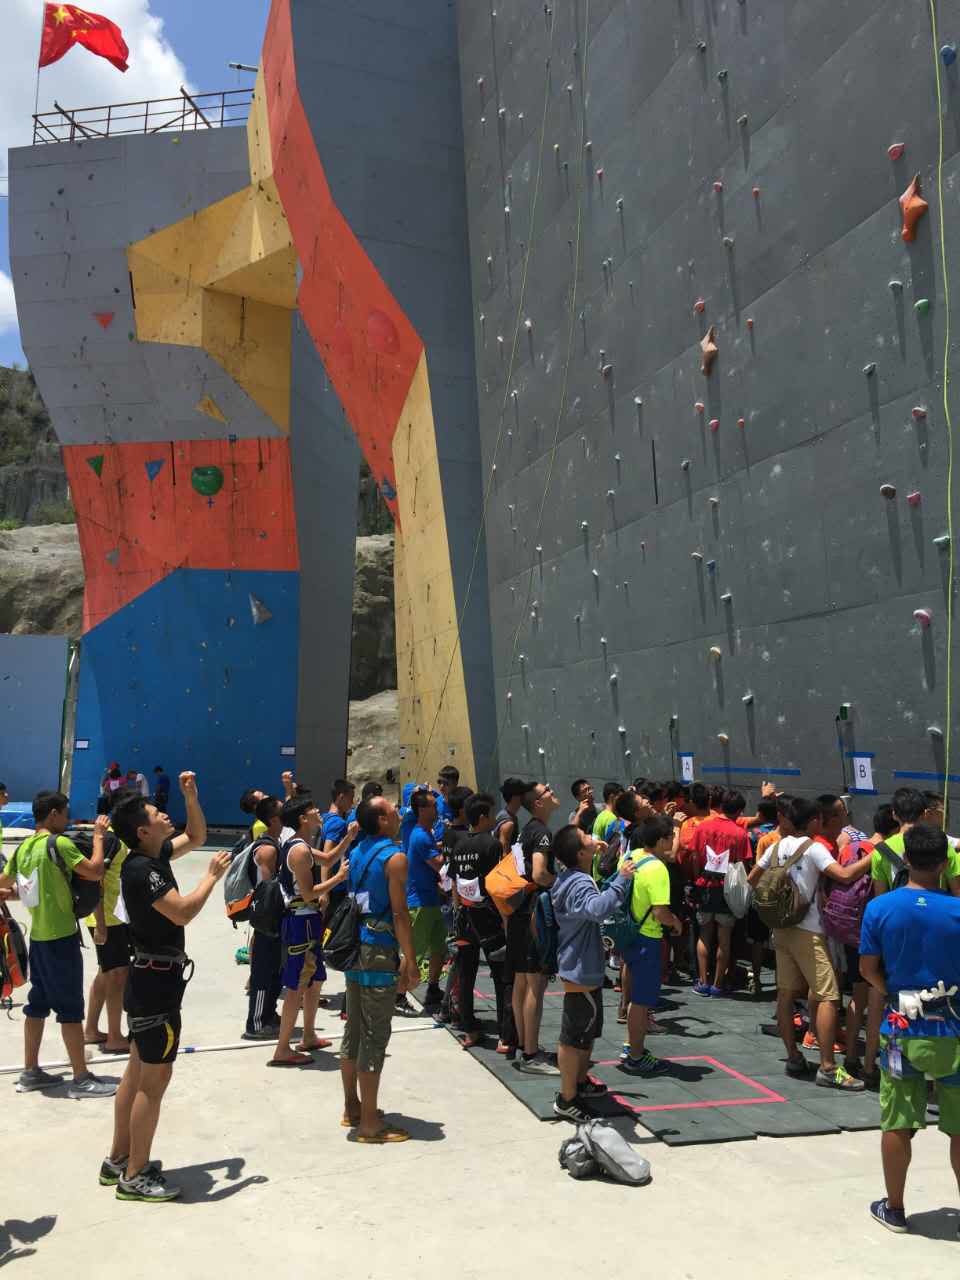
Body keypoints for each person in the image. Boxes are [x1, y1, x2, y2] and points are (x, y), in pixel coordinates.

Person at [101, 775, 224, 1201]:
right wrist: (211, 877)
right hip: (156, 985)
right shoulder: (144, 870)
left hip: (149, 979)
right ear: (142, 831)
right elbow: (183, 912)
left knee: (135, 1074)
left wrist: (192, 797)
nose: (165, 815)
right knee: (152, 1083)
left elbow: (198, 835)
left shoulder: (153, 856)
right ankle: (135, 1174)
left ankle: (118, 1158)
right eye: (157, 814)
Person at [859, 822, 960, 1233]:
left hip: (901, 1026)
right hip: (954, 1029)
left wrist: (895, 992)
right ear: (944, 863)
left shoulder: (880, 908)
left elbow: (868, 969)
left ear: (905, 860)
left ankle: (896, 1208)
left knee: (897, 1121)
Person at [748, 796, 872, 1090]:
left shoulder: (777, 846)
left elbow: (753, 878)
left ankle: (793, 1057)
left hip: (781, 928)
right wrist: (873, 855)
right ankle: (828, 1068)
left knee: (786, 994)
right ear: (814, 820)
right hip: (809, 930)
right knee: (828, 996)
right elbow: (844, 876)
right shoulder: (814, 848)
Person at [0, 795, 114, 1098]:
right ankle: (81, 1078)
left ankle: (31, 1071)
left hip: (38, 939)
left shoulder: (24, 848)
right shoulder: (59, 844)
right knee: (70, 1009)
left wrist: (17, 894)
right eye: (65, 814)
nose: (67, 819)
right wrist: (99, 837)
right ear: (53, 814)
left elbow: (5, 883)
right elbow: (95, 871)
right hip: (61, 939)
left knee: (37, 1005)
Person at [340, 796, 419, 1142]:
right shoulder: (394, 858)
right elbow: (400, 914)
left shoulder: (357, 851)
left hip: (354, 947)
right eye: (391, 809)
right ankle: (370, 1124)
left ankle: (353, 1107)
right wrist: (410, 960)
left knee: (354, 1030)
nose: (398, 812)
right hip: (378, 951)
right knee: (374, 1035)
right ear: (382, 820)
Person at [550, 823, 637, 1120]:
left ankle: (579, 1082)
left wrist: (595, 851)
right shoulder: (579, 883)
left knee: (587, 1032)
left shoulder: (569, 875)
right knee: (573, 1037)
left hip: (582, 966)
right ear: (579, 853)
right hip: (579, 969)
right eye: (586, 837)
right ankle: (566, 1099)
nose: (592, 838)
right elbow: (598, 909)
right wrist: (621, 879)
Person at [271, 796, 352, 1066]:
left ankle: (308, 1035)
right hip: (300, 921)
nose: (318, 811)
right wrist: (338, 879)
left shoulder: (300, 844)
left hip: (308, 920)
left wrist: (348, 838)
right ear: (303, 819)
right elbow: (307, 893)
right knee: (296, 985)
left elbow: (328, 857)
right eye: (312, 809)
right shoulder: (299, 851)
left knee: (315, 980)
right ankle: (282, 1049)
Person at [618, 814, 684, 1076]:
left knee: (634, 997)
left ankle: (631, 1045)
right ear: (660, 840)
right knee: (642, 1001)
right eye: (670, 837)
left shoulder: (632, 855)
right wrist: (675, 922)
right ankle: (636, 1056)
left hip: (629, 932)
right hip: (648, 938)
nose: (673, 841)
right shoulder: (658, 869)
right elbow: (660, 912)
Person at [448, 793, 509, 1049]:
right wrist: (504, 918)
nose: (495, 819)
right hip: (488, 917)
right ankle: (505, 1036)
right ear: (483, 817)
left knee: (466, 974)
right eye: (492, 815)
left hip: (464, 916)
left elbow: (453, 883)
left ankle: (469, 1031)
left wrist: (458, 911)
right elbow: (497, 883)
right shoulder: (492, 845)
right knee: (501, 975)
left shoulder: (459, 845)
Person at [510, 781, 561, 1075]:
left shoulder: (525, 829)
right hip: (534, 914)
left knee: (521, 981)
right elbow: (540, 874)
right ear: (539, 803)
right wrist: (563, 882)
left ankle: (524, 1044)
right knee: (535, 985)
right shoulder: (542, 833)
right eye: (548, 790)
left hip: (519, 912)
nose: (553, 791)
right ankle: (531, 1055)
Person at [689, 790, 752, 996]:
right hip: (728, 891)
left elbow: (694, 856)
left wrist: (698, 879)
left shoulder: (703, 827)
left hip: (705, 885)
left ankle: (702, 982)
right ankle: (718, 984)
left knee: (704, 934)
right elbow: (743, 864)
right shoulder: (740, 834)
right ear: (740, 811)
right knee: (724, 938)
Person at [83, 802, 132, 1055]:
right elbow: (97, 880)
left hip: (111, 917)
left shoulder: (116, 838)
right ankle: (114, 1036)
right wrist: (101, 924)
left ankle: (91, 1030)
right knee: (117, 975)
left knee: (106, 972)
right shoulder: (112, 840)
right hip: (107, 919)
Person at [241, 795, 285, 1040]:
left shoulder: (275, 842)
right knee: (263, 973)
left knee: (275, 971)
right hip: (267, 919)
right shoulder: (268, 849)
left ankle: (269, 1014)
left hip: (274, 919)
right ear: (274, 819)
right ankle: (256, 1024)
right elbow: (269, 888)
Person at [406, 790, 446, 1013]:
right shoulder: (421, 836)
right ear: (422, 810)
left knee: (439, 948)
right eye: (433, 805)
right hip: (420, 903)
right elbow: (438, 864)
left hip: (431, 900)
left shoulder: (426, 834)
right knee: (414, 952)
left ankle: (433, 988)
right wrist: (454, 847)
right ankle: (398, 995)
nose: (437, 808)